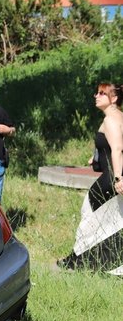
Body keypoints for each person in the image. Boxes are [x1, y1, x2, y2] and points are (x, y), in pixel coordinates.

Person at [58, 82, 123, 273]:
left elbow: (118, 149)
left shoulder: (111, 119)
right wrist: (96, 156)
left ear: (114, 98)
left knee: (89, 217)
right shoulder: (119, 117)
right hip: (113, 175)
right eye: (97, 93)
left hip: (111, 177)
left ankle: (77, 261)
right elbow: (111, 147)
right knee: (111, 222)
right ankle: (102, 264)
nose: (97, 96)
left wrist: (119, 178)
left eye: (102, 93)